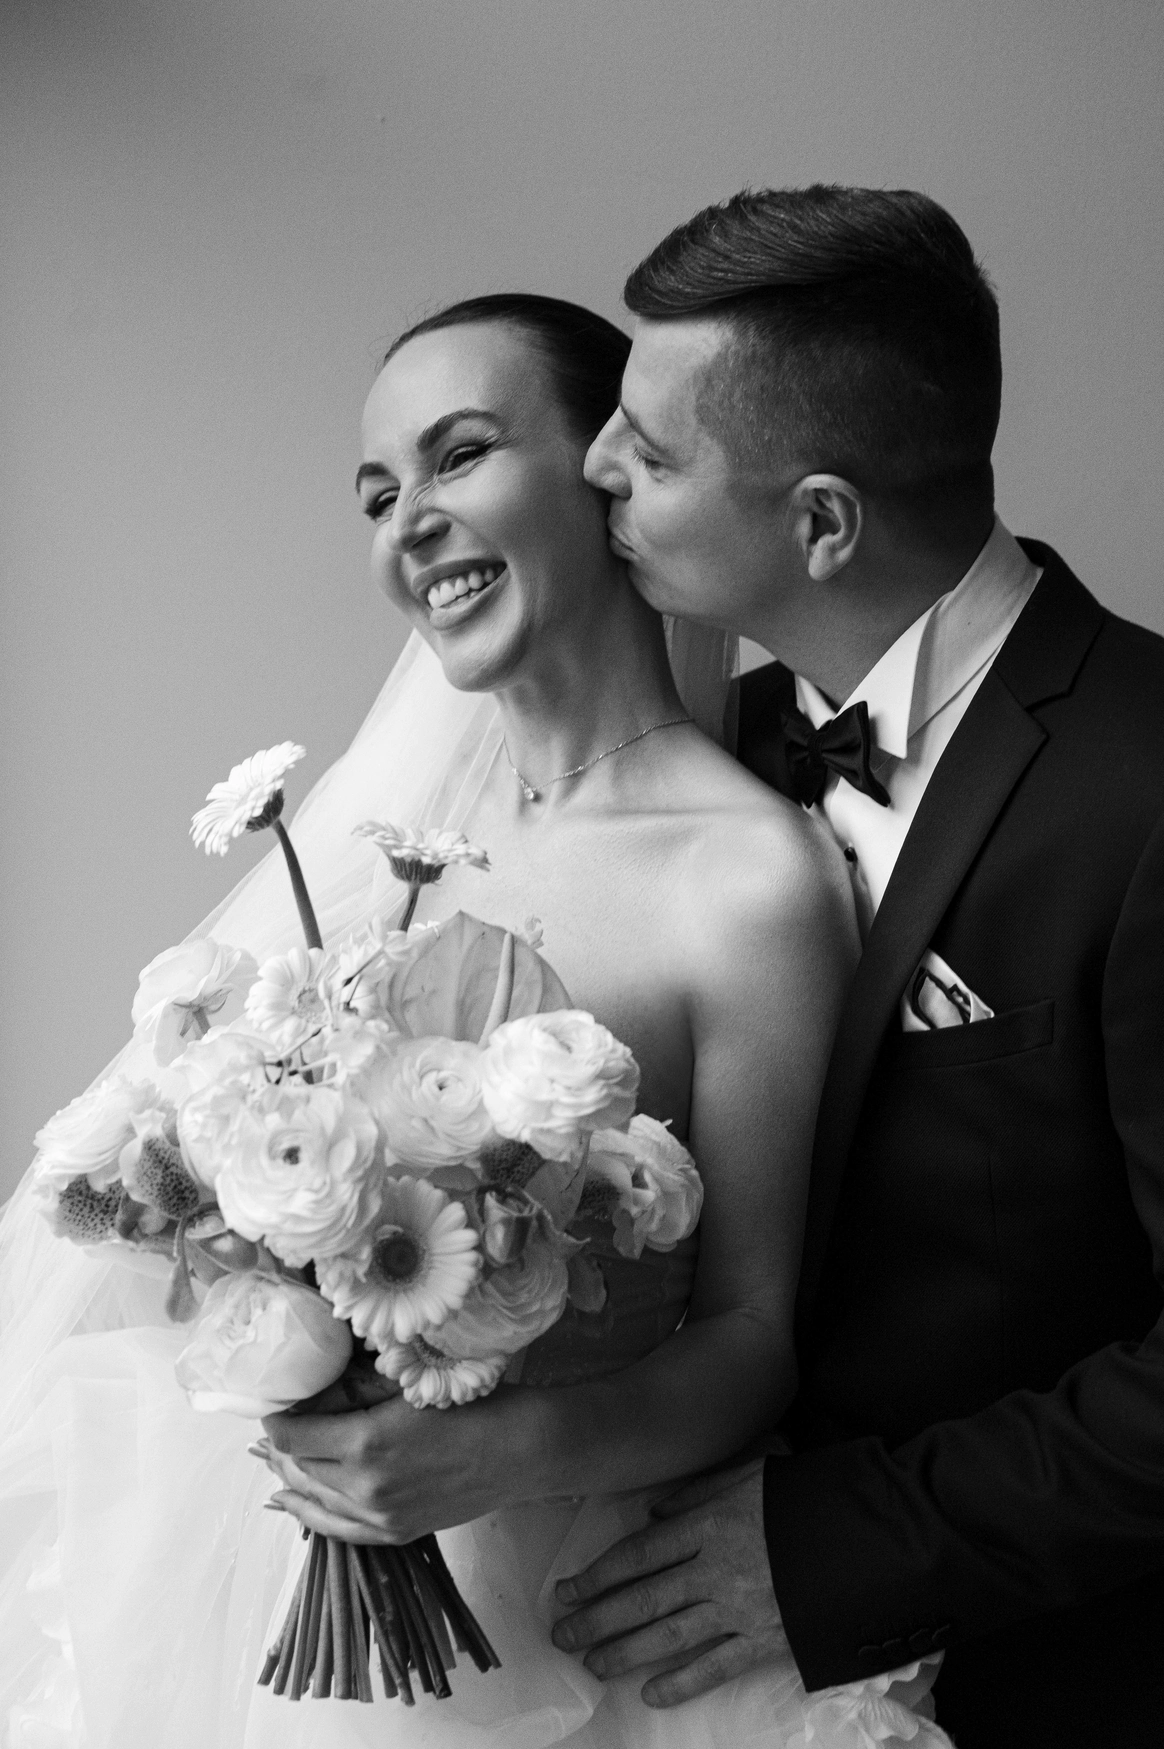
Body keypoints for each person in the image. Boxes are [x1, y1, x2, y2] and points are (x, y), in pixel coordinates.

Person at [0, 293, 945, 1748]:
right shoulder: (374, 856)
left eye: (459, 456)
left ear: (607, 475)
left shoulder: (748, 876)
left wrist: (499, 1450)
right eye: (380, 495)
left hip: (568, 1594)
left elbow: (754, 1333)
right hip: (285, 1576)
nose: (411, 524)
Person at [532, 187, 1164, 1747]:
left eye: (650, 453)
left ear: (822, 522)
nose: (593, 467)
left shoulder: (1146, 783)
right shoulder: (700, 764)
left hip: (1050, 1685)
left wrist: (844, 1551)